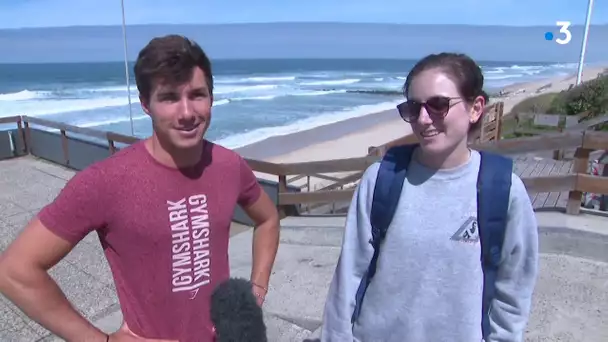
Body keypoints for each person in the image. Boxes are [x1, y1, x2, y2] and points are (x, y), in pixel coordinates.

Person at [0, 35, 280, 342]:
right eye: (170, 98)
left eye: (197, 94)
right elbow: (14, 271)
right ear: (146, 104)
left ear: (212, 98)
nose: (187, 112)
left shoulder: (228, 165)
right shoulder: (106, 181)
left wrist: (257, 287)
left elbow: (267, 219)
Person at [320, 53, 539, 342]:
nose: (423, 119)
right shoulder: (380, 179)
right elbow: (349, 275)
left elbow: (514, 290)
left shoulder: (504, 190)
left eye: (439, 104)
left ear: (475, 108)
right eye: (414, 107)